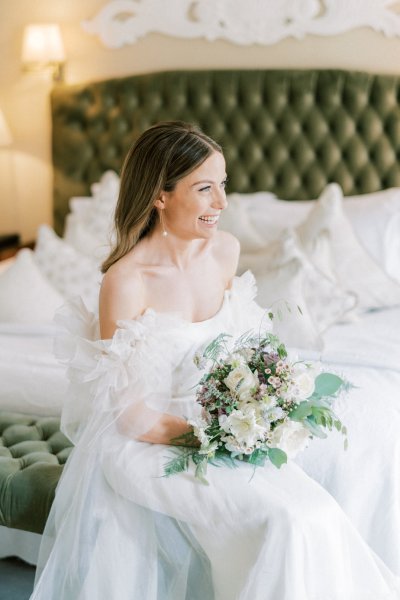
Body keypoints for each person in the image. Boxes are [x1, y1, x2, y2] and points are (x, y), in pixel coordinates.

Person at [30, 121, 400, 599]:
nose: (222, 204)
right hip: (150, 443)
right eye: (205, 189)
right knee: (284, 521)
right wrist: (218, 436)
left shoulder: (226, 250)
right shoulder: (127, 280)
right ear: (160, 195)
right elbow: (129, 413)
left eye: (222, 185)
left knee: (317, 515)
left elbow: (238, 351)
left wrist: (259, 414)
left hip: (226, 428)